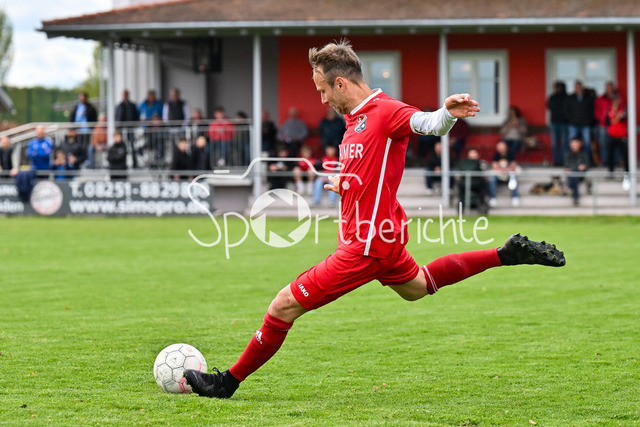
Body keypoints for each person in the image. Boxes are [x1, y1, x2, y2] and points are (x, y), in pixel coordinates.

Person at [183, 40, 566, 399]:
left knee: (283, 305)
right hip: (383, 238)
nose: (322, 99)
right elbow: (370, 170)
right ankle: (505, 254)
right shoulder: (355, 121)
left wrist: (447, 113)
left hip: (365, 246)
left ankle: (227, 382)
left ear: (340, 83)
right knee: (418, 286)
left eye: (323, 90)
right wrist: (346, 184)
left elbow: (427, 124)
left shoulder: (385, 111)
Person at [564, 81, 595, 164]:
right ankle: (570, 162)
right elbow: (566, 110)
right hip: (573, 124)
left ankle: (587, 162)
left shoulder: (588, 98)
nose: (578, 88)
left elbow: (592, 111)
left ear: (582, 87)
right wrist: (570, 119)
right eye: (576, 87)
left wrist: (589, 120)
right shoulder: (571, 98)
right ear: (575, 88)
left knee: (587, 143)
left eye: (579, 87)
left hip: (585, 124)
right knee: (572, 143)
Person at [489, 140, 520, 207]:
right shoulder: (496, 155)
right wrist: (503, 170)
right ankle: (493, 198)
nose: (501, 148)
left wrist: (506, 170)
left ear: (505, 147)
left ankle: (515, 197)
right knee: (492, 178)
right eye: (499, 147)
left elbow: (513, 166)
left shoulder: (511, 154)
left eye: (502, 146)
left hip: (508, 174)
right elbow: (494, 167)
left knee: (513, 177)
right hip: (499, 174)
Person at [594, 81, 618, 167]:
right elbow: (596, 111)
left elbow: (621, 109)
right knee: (603, 143)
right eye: (608, 87)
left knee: (615, 143)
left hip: (615, 125)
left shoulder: (617, 97)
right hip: (603, 125)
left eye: (611, 87)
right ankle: (605, 160)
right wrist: (601, 118)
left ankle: (615, 161)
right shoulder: (601, 99)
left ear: (613, 88)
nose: (609, 89)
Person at [547, 81, 569, 166]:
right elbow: (549, 107)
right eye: (556, 87)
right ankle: (556, 160)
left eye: (559, 87)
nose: (557, 89)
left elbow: (568, 109)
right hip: (554, 122)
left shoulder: (567, 97)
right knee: (554, 143)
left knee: (564, 143)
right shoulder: (552, 97)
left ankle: (564, 160)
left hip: (564, 122)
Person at [606, 94, 629, 177]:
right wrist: (617, 117)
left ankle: (627, 172)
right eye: (614, 100)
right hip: (611, 135)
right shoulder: (609, 110)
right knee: (610, 155)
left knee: (625, 155)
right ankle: (611, 172)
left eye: (617, 100)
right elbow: (607, 122)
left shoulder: (623, 109)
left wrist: (617, 117)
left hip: (621, 136)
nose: (615, 102)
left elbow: (624, 119)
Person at [564, 136, 588, 206]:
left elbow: (587, 164)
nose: (574, 146)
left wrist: (584, 166)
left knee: (575, 173)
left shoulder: (583, 154)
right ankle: (576, 198)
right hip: (572, 174)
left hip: (580, 174)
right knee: (574, 175)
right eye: (573, 144)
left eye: (576, 144)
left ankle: (568, 187)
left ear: (579, 144)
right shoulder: (567, 153)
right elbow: (567, 165)